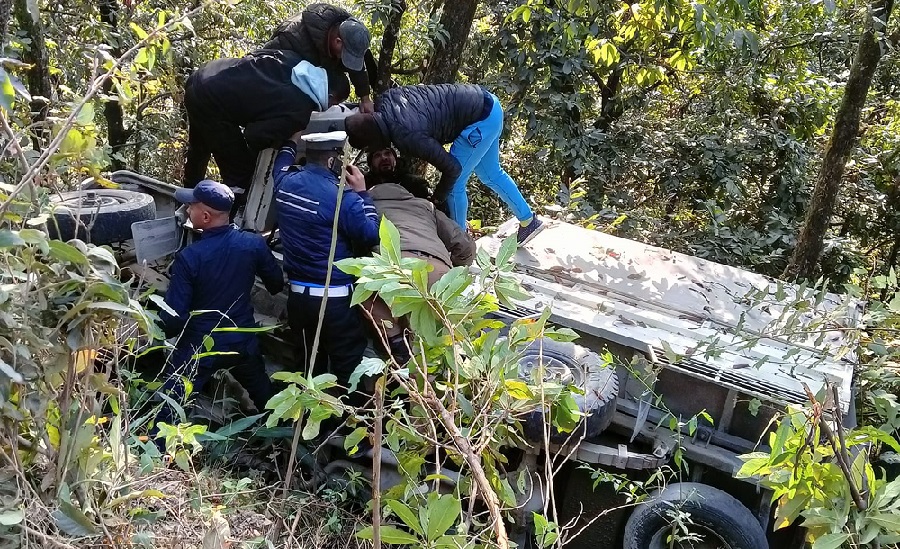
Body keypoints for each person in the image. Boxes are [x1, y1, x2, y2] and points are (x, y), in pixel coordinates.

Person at [344, 84, 544, 244]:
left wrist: (437, 198)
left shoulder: (406, 136)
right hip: (489, 103)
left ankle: (461, 241)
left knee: (455, 185)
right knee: (491, 173)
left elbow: (452, 168)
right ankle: (528, 220)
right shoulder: (385, 99)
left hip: (478, 120)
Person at [156, 180, 284, 430]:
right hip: (242, 340)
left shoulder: (189, 258)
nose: (187, 210)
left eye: (190, 206)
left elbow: (174, 318)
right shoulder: (253, 244)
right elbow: (276, 284)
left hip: (200, 347)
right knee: (267, 401)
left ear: (204, 216)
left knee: (170, 411)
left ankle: (158, 456)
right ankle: (286, 447)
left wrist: (151, 332)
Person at [272, 131, 379, 404]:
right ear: (333, 161)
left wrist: (290, 139)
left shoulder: (284, 182)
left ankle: (311, 426)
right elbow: (370, 234)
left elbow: (280, 162)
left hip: (298, 300)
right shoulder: (343, 198)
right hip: (334, 303)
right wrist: (363, 193)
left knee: (308, 364)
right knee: (347, 369)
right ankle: (350, 435)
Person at [363, 170, 476, 363]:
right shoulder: (425, 206)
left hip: (394, 270)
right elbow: (465, 245)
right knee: (434, 350)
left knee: (362, 294)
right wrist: (451, 269)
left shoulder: (366, 206)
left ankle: (396, 340)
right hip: (438, 271)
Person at [182, 51, 328, 199]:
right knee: (240, 174)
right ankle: (227, 215)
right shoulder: (300, 111)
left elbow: (256, 54)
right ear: (331, 97)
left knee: (199, 148)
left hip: (204, 75)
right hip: (211, 102)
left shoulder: (294, 60)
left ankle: (187, 198)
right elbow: (253, 135)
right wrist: (279, 140)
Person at [263, 3, 375, 113]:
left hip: (322, 66)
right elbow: (262, 64)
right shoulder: (291, 37)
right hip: (288, 78)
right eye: (346, 55)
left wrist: (365, 98)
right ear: (337, 42)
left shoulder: (351, 30)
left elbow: (356, 67)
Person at [365, 146, 431, 199]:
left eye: (387, 153)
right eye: (377, 155)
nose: (384, 158)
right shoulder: (363, 185)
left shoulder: (414, 183)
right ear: (371, 164)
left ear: (395, 159)